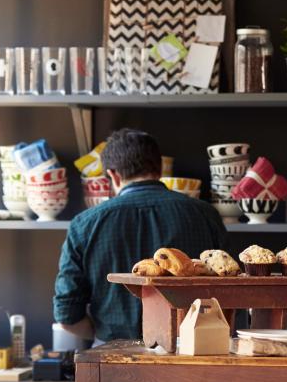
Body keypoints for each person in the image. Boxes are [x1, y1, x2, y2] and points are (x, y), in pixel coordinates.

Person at [53, 128, 227, 342]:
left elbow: (66, 314)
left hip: (115, 357)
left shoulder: (84, 225)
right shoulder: (205, 215)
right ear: (160, 167)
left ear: (113, 175)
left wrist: (104, 338)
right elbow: (229, 291)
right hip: (191, 353)